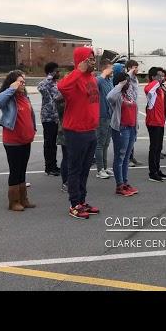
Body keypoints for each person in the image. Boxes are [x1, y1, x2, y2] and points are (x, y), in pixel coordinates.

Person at [57, 47, 100, 219]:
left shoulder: (92, 78)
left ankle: (82, 201)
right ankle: (74, 204)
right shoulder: (74, 78)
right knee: (75, 169)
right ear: (81, 61)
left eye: (93, 59)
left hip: (90, 130)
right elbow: (61, 87)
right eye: (89, 59)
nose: (92, 62)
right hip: (75, 131)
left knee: (84, 169)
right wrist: (78, 71)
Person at [0, 70, 37, 211]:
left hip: (25, 140)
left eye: (23, 81)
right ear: (12, 82)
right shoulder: (9, 99)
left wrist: (33, 129)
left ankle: (24, 199)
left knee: (22, 170)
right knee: (15, 170)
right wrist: (11, 89)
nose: (22, 84)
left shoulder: (25, 97)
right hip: (13, 141)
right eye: (19, 81)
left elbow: (30, 115)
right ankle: (14, 201)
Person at [107, 72, 138, 196]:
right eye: (125, 81)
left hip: (131, 128)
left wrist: (132, 77)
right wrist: (120, 85)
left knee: (126, 157)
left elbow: (135, 89)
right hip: (121, 129)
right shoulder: (117, 95)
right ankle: (119, 185)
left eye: (128, 81)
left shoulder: (129, 94)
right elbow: (109, 97)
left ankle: (125, 182)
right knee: (119, 157)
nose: (128, 83)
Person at [145, 67, 166, 182]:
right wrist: (156, 81)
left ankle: (157, 169)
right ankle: (152, 172)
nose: (161, 78)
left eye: (162, 76)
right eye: (159, 76)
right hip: (153, 122)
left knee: (159, 147)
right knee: (154, 148)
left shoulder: (160, 89)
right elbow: (148, 90)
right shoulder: (151, 88)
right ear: (153, 77)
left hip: (160, 121)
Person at [37, 62, 61, 176]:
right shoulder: (45, 83)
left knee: (54, 144)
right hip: (48, 118)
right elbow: (40, 87)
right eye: (57, 71)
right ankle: (49, 167)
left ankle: (54, 166)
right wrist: (49, 77)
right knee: (49, 143)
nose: (59, 73)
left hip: (56, 118)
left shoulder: (56, 83)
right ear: (51, 72)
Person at [95, 59, 114, 179]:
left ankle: (105, 167)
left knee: (106, 143)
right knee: (100, 144)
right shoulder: (99, 80)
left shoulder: (109, 81)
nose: (112, 70)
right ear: (104, 69)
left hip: (110, 115)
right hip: (102, 116)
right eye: (110, 68)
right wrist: (103, 73)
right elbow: (96, 82)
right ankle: (99, 169)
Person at [125, 59, 144, 167]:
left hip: (134, 109)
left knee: (134, 134)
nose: (137, 69)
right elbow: (127, 77)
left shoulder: (135, 79)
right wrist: (130, 71)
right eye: (134, 67)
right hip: (128, 108)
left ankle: (131, 157)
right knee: (128, 135)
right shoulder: (127, 78)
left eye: (137, 67)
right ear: (129, 68)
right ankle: (127, 159)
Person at [55, 95, 68, 192]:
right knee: (67, 158)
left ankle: (71, 181)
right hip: (65, 131)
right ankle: (66, 182)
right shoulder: (61, 99)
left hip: (72, 130)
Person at [159, 68, 166, 160]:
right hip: (158, 112)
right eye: (161, 76)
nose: (163, 77)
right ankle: (157, 151)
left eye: (164, 76)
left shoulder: (163, 86)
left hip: (163, 112)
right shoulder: (157, 86)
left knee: (161, 133)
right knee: (157, 134)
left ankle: (159, 150)